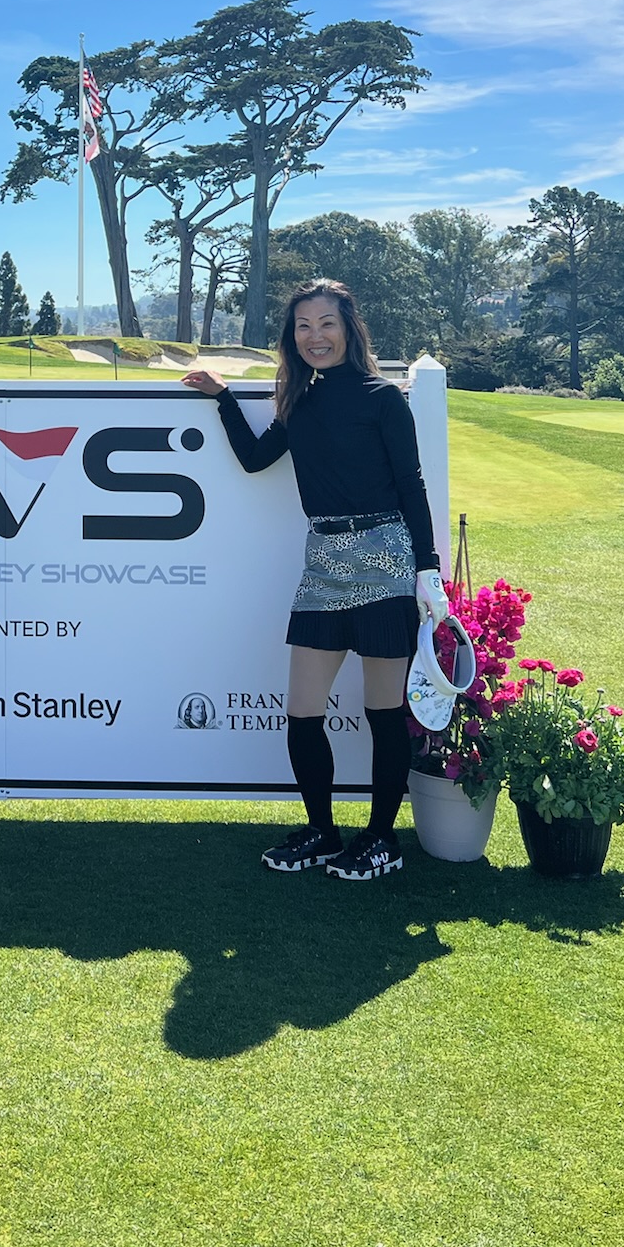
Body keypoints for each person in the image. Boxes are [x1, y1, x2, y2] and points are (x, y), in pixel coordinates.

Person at [183, 281, 445, 880]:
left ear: (349, 328)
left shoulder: (383, 397)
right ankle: (322, 832)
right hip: (323, 558)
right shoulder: (299, 400)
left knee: (383, 710)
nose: (315, 336)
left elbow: (412, 485)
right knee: (303, 711)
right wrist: (223, 398)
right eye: (303, 326)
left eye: (326, 323)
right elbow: (255, 459)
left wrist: (427, 569)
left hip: (384, 556)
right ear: (291, 336)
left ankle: (381, 838)